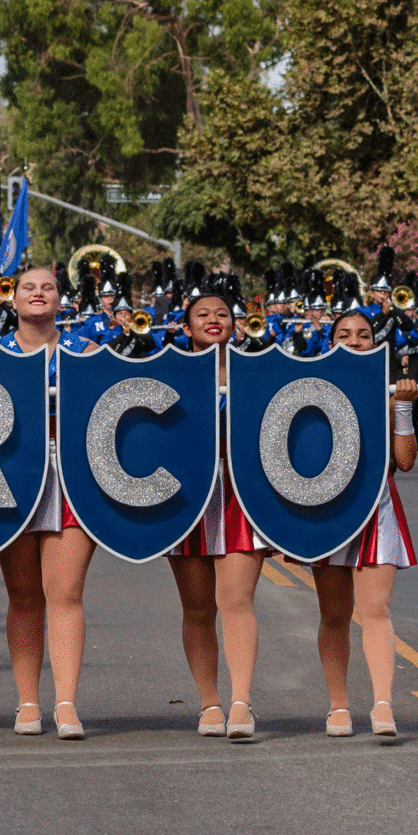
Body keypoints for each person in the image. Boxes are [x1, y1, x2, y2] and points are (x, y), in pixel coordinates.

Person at [0, 267, 97, 739]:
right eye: (29, 287)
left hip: (71, 480)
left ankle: (66, 703)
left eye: (48, 287)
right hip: (9, 479)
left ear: (61, 300)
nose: (38, 294)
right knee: (23, 595)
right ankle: (28, 701)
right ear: (13, 299)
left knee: (65, 593)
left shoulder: (85, 354)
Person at [167, 278, 268, 740]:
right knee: (197, 607)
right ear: (187, 327)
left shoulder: (260, 370)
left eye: (222, 314)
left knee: (235, 600)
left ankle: (242, 701)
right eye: (203, 314)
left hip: (243, 494)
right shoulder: (169, 373)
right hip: (186, 496)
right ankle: (209, 702)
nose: (213, 319)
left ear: (237, 325)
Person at [311, 310, 418, 738]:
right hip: (328, 510)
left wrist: (403, 408)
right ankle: (338, 706)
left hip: (376, 508)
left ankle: (382, 704)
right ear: (330, 343)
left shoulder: (387, 392)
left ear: (375, 344)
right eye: (344, 334)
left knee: (376, 610)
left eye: (363, 335)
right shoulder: (309, 391)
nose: (354, 341)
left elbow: (406, 461)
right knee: (334, 614)